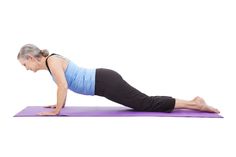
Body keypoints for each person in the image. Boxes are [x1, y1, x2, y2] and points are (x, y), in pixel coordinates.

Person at [17, 44, 220, 116]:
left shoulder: (52, 61)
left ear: (32, 58)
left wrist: (56, 111)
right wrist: (59, 104)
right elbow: (64, 85)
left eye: (25, 65)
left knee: (144, 103)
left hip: (105, 81)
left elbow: (63, 85)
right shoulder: (52, 63)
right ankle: (193, 102)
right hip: (103, 81)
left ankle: (195, 103)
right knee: (143, 102)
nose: (27, 69)